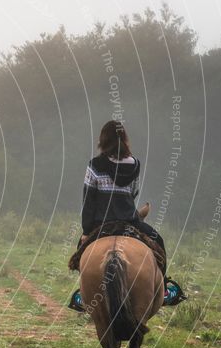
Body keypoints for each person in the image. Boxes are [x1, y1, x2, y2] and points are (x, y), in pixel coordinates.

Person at [69, 120, 184, 310]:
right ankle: (163, 290)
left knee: (81, 251)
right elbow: (132, 193)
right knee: (159, 241)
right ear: (124, 139)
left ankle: (84, 294)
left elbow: (88, 200)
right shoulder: (135, 165)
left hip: (101, 223)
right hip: (129, 221)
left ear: (103, 140)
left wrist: (87, 230)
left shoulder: (94, 165)